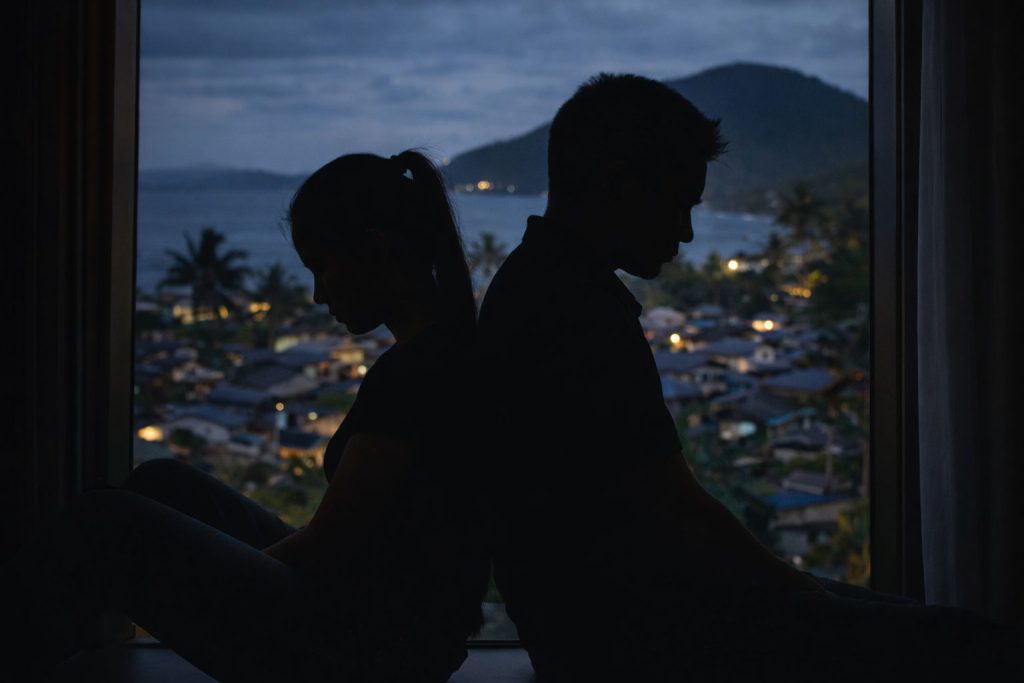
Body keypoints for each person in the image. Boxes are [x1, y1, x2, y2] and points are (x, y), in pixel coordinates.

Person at [475, 74, 1020, 681]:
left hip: (606, 626)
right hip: (641, 635)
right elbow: (677, 509)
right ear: (619, 185)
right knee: (965, 642)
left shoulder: (539, 287)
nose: (684, 232)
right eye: (677, 201)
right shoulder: (574, 312)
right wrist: (803, 592)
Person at [1, 150, 490, 682]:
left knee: (104, 522)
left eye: (322, 269)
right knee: (162, 482)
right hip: (378, 621)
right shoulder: (443, 349)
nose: (317, 294)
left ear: (377, 251)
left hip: (367, 651)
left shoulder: (418, 373)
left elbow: (327, 547)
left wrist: (212, 578)